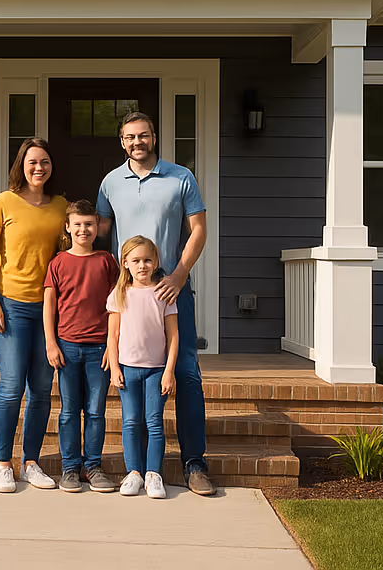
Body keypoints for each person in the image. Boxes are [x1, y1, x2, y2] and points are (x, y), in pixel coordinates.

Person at [96, 109, 215, 495]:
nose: (137, 142)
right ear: (122, 141)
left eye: (143, 135)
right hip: (128, 295)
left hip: (170, 290)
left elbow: (199, 230)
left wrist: (179, 275)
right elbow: (97, 233)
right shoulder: (110, 182)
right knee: (129, 374)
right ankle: (139, 468)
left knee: (187, 374)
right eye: (130, 137)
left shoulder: (181, 177)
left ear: (154, 137)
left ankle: (194, 463)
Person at [0, 136, 67, 493]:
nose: (39, 167)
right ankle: (3, 464)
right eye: (33, 161)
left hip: (49, 308)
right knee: (12, 386)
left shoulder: (60, 205)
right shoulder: (3, 202)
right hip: (12, 305)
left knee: (43, 389)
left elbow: (67, 254)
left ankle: (31, 461)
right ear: (22, 164)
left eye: (45, 162)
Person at [42, 199, 121, 493]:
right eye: (78, 224)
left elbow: (117, 306)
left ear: (97, 227)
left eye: (88, 224)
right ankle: (70, 468)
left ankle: (93, 466)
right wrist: (51, 343)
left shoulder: (106, 261)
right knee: (69, 411)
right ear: (68, 227)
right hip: (67, 347)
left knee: (96, 411)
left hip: (99, 350)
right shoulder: (58, 262)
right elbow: (49, 305)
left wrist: (112, 348)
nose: (83, 229)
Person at [106, 234, 179, 499]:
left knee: (154, 422)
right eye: (136, 260)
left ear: (156, 261)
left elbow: (173, 336)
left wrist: (169, 370)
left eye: (148, 260)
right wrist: (114, 367)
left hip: (156, 370)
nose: (142, 265)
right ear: (125, 263)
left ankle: (153, 474)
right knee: (131, 421)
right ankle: (134, 473)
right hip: (128, 369)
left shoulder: (164, 294)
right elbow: (112, 336)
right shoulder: (119, 294)